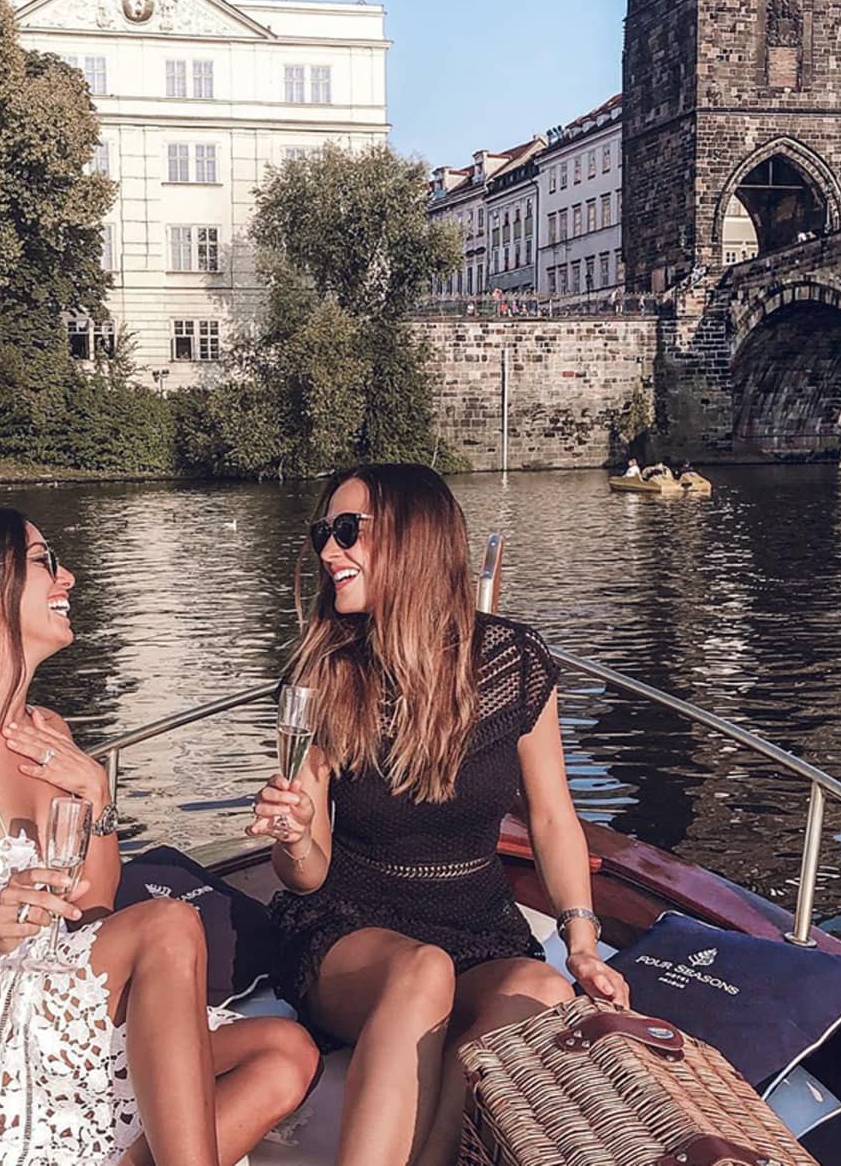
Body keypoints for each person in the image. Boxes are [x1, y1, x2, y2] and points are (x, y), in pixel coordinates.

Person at [0, 507, 316, 1166]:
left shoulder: (48, 730)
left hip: (51, 987)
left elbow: (92, 909)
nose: (70, 575)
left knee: (287, 1054)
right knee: (171, 925)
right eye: (45, 561)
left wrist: (98, 795)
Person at [249, 464, 629, 1166]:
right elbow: (306, 875)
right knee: (422, 972)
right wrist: (296, 833)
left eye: (346, 532)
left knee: (542, 990)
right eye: (322, 536)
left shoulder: (515, 662)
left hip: (479, 927)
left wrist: (580, 942)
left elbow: (551, 817)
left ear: (415, 539)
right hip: (351, 929)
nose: (329, 553)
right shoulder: (322, 672)